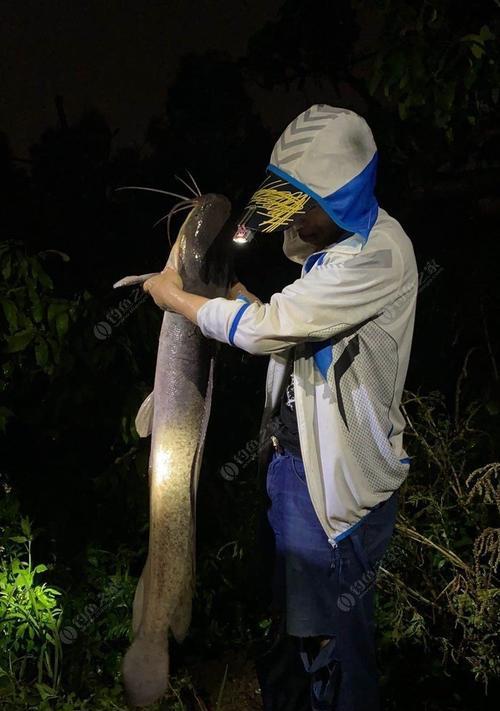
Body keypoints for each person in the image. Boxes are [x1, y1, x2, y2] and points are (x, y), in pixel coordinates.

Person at [142, 105, 418, 711]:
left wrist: (176, 300)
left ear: (340, 198)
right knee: (287, 634)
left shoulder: (378, 255)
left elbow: (272, 331)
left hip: (338, 494)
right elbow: (293, 321)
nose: (290, 214)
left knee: (334, 652)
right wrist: (234, 296)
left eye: (303, 202)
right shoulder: (335, 254)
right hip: (292, 469)